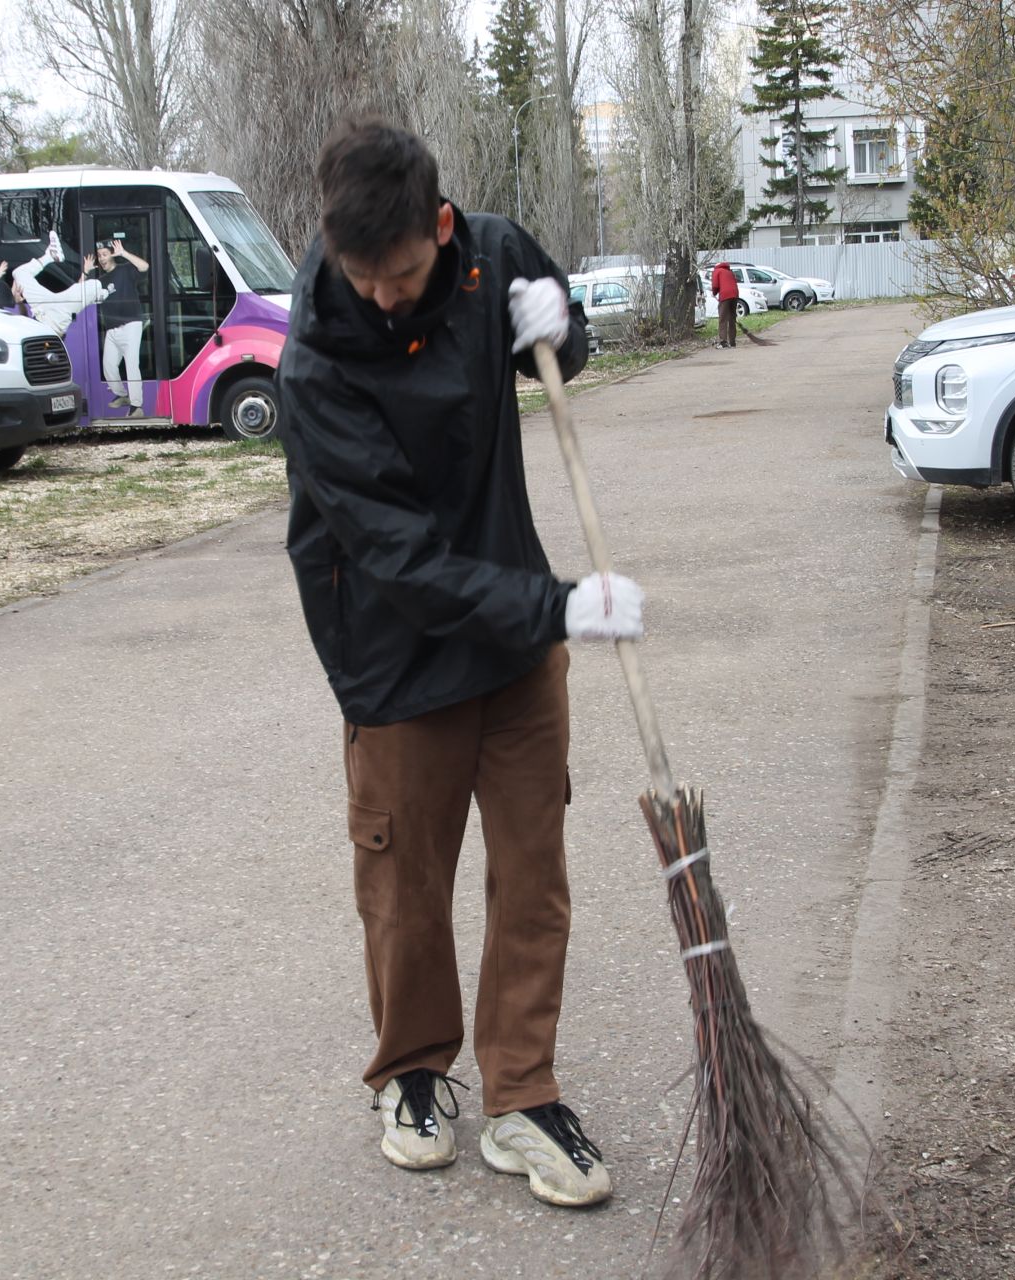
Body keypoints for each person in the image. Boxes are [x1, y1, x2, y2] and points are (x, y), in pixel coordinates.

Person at [275, 116, 644, 1211]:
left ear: (441, 227)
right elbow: (402, 561)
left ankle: (523, 1093)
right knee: (407, 885)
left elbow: (561, 358)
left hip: (518, 637)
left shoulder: (494, 255)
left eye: (400, 271)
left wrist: (561, 322)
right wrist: (565, 604)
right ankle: (414, 1072)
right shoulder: (315, 368)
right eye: (360, 274)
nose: (383, 295)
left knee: (534, 872)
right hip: (395, 648)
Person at [92, 237, 149, 415]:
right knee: (108, 365)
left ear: (112, 255)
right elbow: (80, 292)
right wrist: (85, 273)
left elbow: (144, 267)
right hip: (112, 329)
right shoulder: (100, 280)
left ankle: (136, 406)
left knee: (132, 365)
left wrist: (124, 253)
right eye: (99, 255)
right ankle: (121, 395)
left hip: (131, 324)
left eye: (105, 254)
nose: (101, 258)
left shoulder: (125, 270)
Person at [9, 231, 104, 336]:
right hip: (50, 319)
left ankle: (50, 256)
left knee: (19, 273)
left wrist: (19, 302)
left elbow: (76, 291)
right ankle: (104, 292)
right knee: (95, 286)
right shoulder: (52, 325)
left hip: (43, 307)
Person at [711, 260, 739, 349]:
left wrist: (714, 293)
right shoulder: (729, 272)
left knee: (723, 319)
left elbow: (715, 285)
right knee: (732, 319)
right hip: (735, 295)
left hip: (725, 295)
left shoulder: (717, 271)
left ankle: (723, 342)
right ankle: (732, 342)